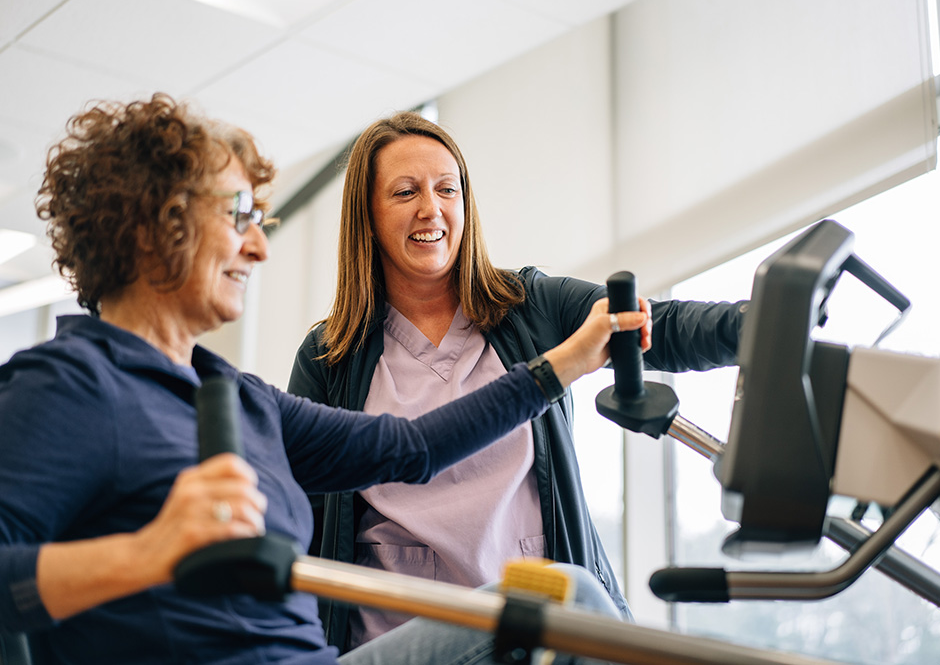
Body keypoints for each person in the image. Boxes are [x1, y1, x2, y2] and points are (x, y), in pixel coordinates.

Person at [0, 94, 653, 665]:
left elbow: (411, 447)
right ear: (149, 229)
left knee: (568, 596)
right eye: (237, 217)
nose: (257, 247)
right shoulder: (68, 386)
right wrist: (147, 553)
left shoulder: (239, 398)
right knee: (576, 601)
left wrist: (561, 365)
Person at [288, 111, 748, 651]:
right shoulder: (330, 358)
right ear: (366, 215)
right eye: (405, 192)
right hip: (408, 644)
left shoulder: (529, 308)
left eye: (446, 189)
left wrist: (763, 322)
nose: (430, 209)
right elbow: (301, 525)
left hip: (538, 639)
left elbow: (653, 326)